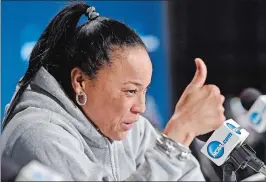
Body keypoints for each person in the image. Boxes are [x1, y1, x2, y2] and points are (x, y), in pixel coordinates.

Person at [1, 2, 225, 181]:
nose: (141, 107)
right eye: (130, 91)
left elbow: (186, 175)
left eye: (144, 90)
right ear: (80, 81)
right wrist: (177, 135)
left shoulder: (130, 128)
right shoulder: (37, 135)